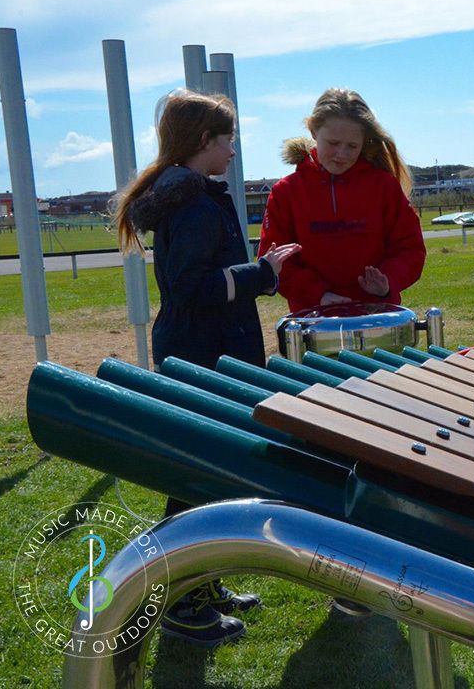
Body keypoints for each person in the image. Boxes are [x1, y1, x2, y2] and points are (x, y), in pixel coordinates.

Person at [113, 90, 301, 646]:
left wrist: (254, 274)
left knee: (212, 473)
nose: (233, 150)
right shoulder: (194, 206)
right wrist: (261, 272)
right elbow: (192, 288)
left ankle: (203, 579)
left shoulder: (196, 198)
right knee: (194, 477)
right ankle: (181, 599)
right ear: (203, 142)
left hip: (208, 346)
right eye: (227, 139)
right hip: (203, 352)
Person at [257, 88, 426, 313]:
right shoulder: (286, 192)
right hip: (313, 319)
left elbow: (410, 249)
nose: (341, 154)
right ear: (314, 131)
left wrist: (387, 281)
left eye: (352, 146)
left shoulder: (383, 186)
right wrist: (319, 294)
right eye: (333, 143)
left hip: (378, 315)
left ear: (364, 142)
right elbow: (277, 261)